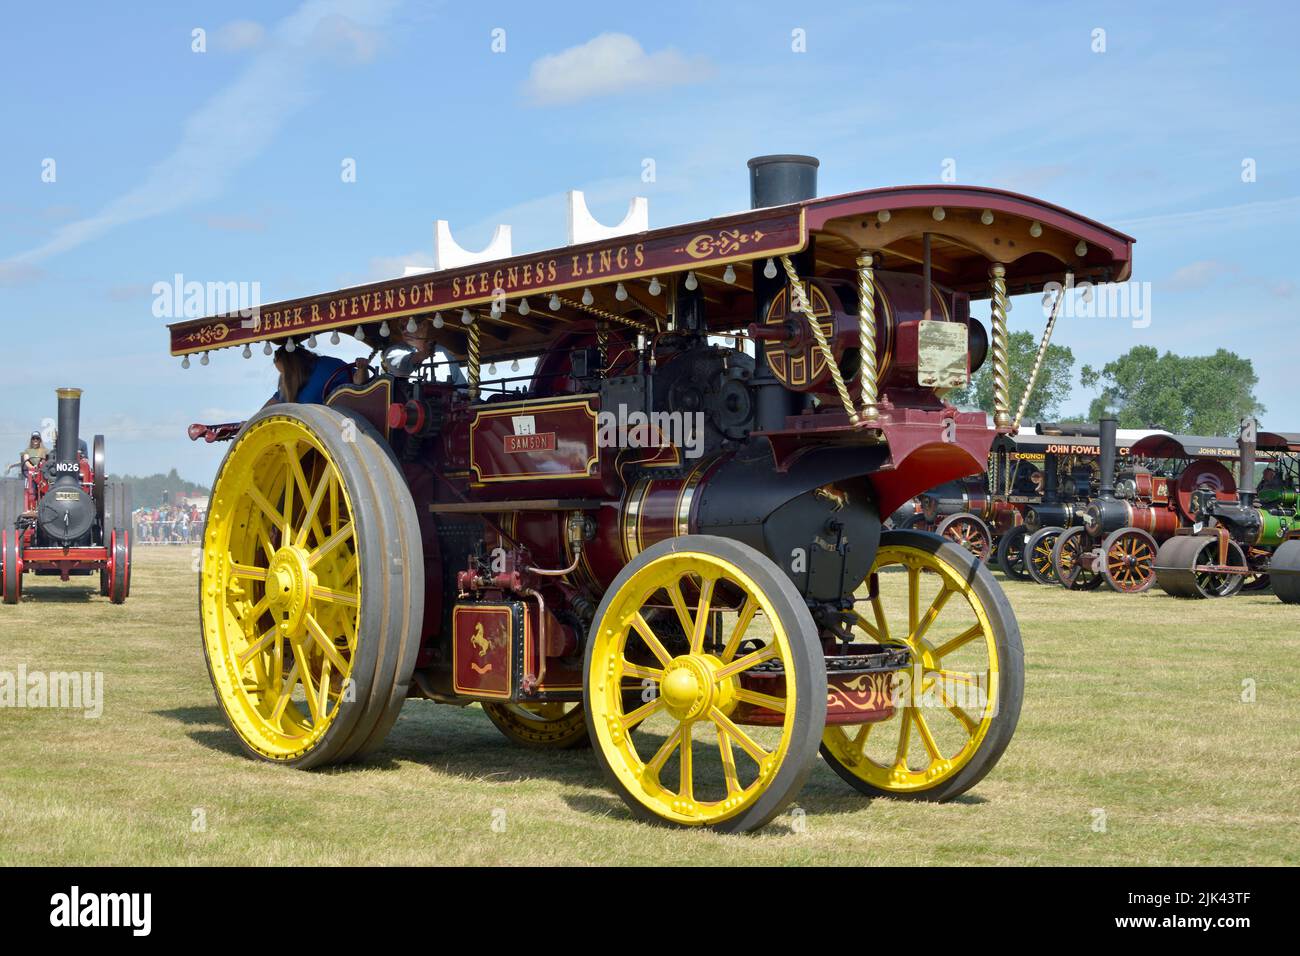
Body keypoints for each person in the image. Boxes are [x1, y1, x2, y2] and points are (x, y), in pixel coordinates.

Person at [266, 345, 352, 407]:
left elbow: (360, 386)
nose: (284, 378)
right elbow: (269, 408)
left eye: (286, 374)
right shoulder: (291, 384)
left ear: (293, 366)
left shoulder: (326, 366)